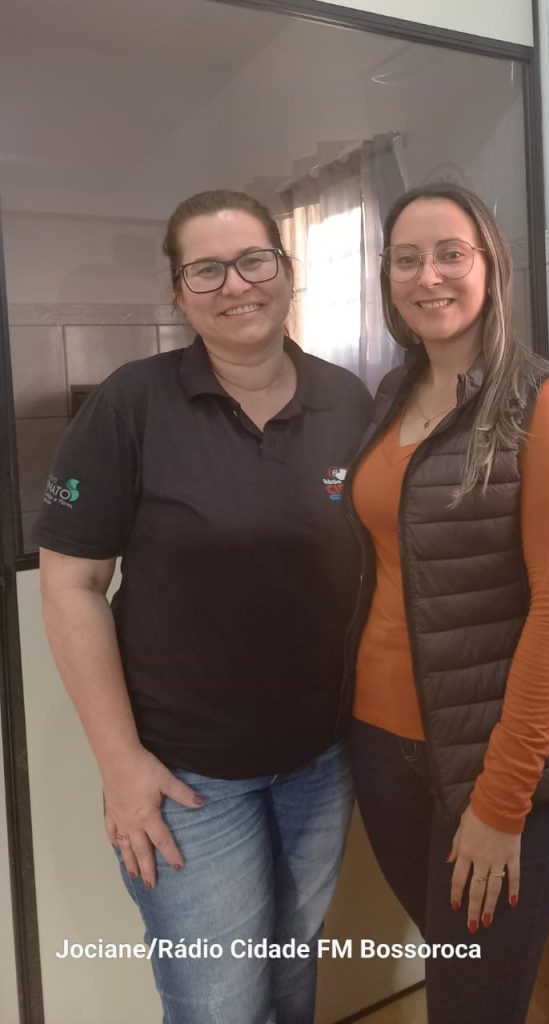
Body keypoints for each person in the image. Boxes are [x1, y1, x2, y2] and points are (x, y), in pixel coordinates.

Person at [35, 189, 372, 1024]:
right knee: (220, 1004)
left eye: (254, 261)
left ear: (285, 270)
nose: (237, 285)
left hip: (321, 759)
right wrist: (121, 768)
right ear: (179, 294)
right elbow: (72, 584)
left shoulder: (346, 401)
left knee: (291, 978)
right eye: (207, 270)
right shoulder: (131, 404)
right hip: (186, 778)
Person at [343, 183, 549, 1023]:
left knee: (470, 1007)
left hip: (501, 769)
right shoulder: (392, 396)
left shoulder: (544, 402)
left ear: (490, 266)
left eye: (449, 254)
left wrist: (501, 803)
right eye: (406, 259)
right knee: (456, 970)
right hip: (382, 747)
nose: (427, 276)